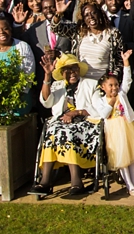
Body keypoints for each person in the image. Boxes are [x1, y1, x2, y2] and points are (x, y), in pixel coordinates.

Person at [30, 53, 100, 197]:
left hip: (85, 124)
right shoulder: (57, 86)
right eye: (67, 70)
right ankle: (45, 181)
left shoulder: (91, 84)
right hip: (60, 124)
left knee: (67, 132)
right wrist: (47, 77)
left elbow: (98, 109)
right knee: (52, 131)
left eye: (74, 69)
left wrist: (75, 113)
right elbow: (46, 102)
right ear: (62, 73)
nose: (72, 73)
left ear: (79, 70)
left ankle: (76, 181)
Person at [89, 52, 134, 196]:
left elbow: (127, 80)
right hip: (114, 131)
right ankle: (129, 185)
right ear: (103, 87)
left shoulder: (122, 94)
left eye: (115, 84)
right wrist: (112, 102)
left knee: (132, 158)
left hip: (127, 127)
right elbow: (104, 114)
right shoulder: (100, 100)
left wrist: (126, 63)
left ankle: (133, 182)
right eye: (110, 85)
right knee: (122, 159)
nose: (114, 88)